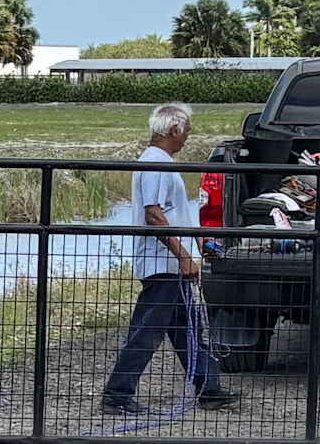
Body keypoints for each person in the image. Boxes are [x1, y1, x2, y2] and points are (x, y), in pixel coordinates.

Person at [99, 101, 236, 416]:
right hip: (163, 265)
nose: (187, 136)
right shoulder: (156, 163)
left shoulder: (159, 162)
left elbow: (170, 213)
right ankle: (117, 393)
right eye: (186, 130)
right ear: (174, 130)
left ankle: (208, 388)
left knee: (186, 329)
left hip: (170, 265)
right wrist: (184, 255)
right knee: (148, 330)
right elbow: (155, 216)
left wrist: (198, 238)